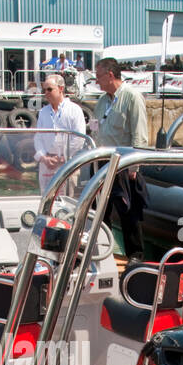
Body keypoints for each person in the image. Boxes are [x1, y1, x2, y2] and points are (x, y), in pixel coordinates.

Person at [91, 57, 150, 259]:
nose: (96, 81)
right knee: (100, 211)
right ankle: (103, 252)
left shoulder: (132, 97)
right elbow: (95, 128)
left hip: (123, 163)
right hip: (102, 163)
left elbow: (139, 134)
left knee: (129, 213)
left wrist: (134, 166)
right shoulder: (102, 101)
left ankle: (135, 255)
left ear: (110, 75)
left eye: (98, 76)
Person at [33, 74, 87, 193]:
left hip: (66, 163)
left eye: (49, 89)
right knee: (45, 201)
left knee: (65, 204)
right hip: (46, 164)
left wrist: (62, 157)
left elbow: (79, 139)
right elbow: (38, 138)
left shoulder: (75, 110)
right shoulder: (43, 112)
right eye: (44, 90)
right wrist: (44, 157)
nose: (46, 93)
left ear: (61, 89)